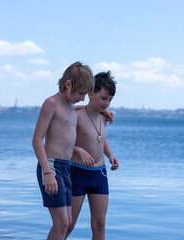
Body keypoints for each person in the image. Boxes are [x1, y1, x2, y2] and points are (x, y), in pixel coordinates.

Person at [32, 61, 94, 240]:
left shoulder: (70, 107)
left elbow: (76, 109)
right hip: (51, 166)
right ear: (68, 84)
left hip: (66, 168)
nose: (82, 98)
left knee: (67, 222)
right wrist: (47, 172)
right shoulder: (51, 103)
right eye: (81, 93)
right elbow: (36, 140)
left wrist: (102, 112)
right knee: (61, 223)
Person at [66, 71, 119, 240]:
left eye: (110, 99)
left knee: (99, 224)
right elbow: (64, 144)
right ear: (90, 94)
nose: (107, 103)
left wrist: (110, 155)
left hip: (100, 174)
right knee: (69, 224)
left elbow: (100, 139)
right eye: (103, 98)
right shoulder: (77, 116)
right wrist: (78, 151)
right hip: (78, 173)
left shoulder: (104, 117)